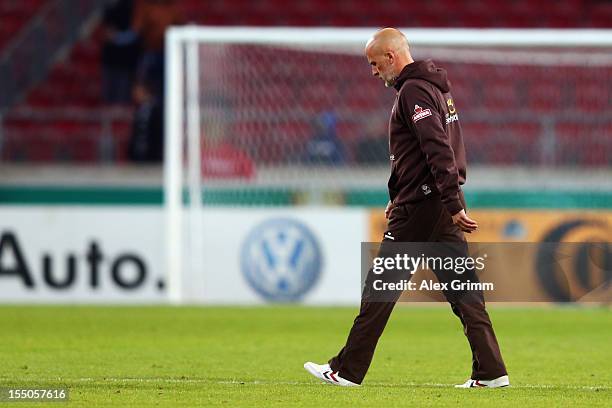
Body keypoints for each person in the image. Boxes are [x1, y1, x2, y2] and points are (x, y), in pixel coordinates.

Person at [304, 28, 509, 389]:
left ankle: (346, 371)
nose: (373, 71)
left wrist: (447, 199)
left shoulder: (414, 91)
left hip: (423, 208)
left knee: (379, 289)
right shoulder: (434, 88)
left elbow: (436, 147)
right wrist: (401, 192)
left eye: (374, 63)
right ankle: (492, 372)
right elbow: (419, 152)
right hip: (433, 203)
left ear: (392, 57)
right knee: (464, 292)